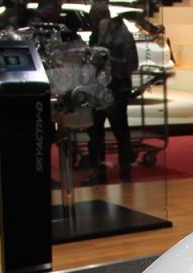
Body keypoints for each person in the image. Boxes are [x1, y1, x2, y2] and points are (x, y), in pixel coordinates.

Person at [84, 0, 138, 184]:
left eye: (93, 19)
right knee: (101, 132)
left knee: (115, 131)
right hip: (105, 89)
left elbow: (129, 63)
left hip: (114, 88)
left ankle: (120, 171)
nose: (92, 23)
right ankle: (109, 171)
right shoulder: (105, 33)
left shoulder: (117, 34)